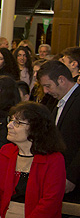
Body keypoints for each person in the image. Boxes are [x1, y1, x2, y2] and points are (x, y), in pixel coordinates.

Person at [36, 60, 80, 202]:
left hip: (74, 181)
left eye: (48, 86)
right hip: (58, 174)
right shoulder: (57, 101)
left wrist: (72, 177)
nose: (46, 91)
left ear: (61, 80)